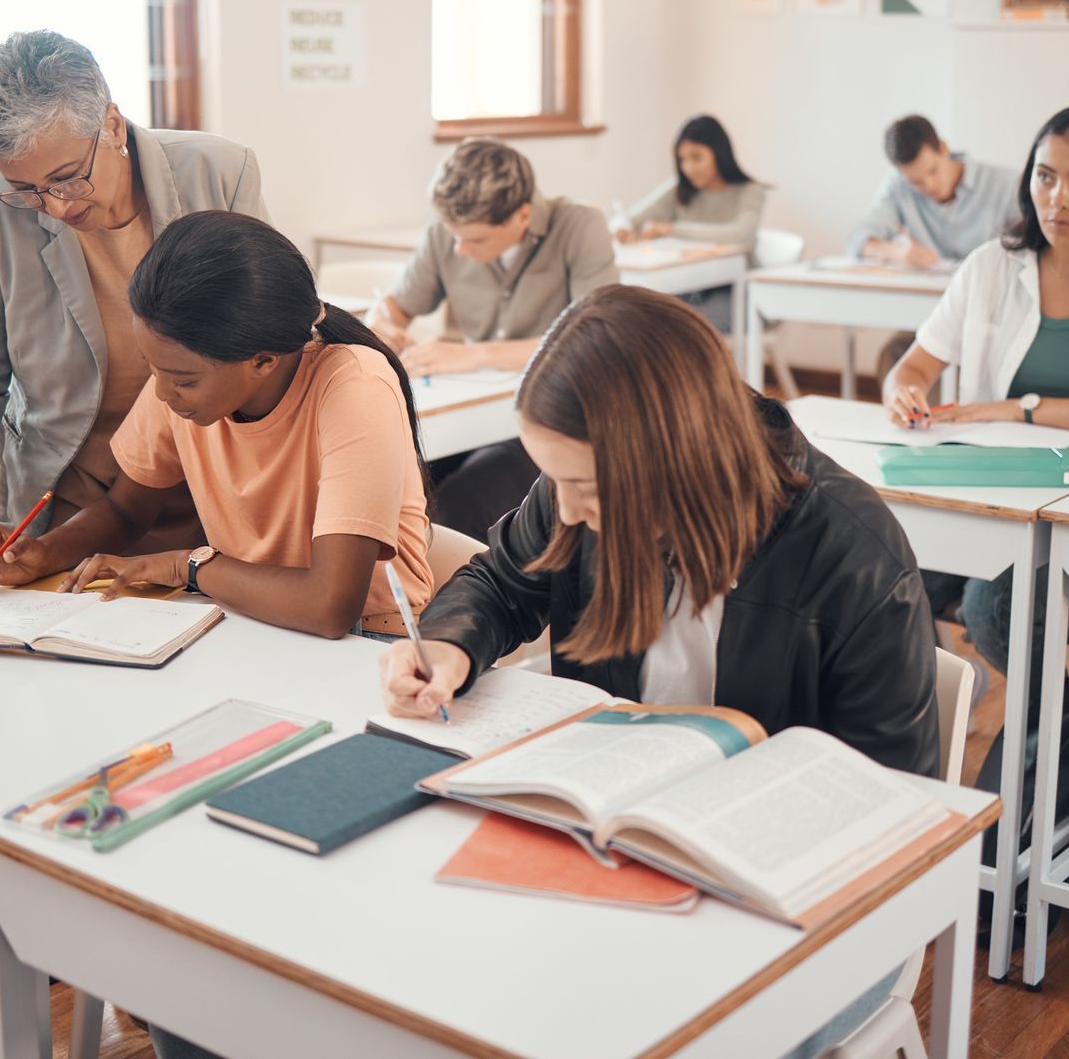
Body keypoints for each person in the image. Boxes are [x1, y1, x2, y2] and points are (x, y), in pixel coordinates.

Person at [376, 283, 938, 1059]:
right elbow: (504, 581)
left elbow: (891, 808)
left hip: (787, 911)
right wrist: (448, 645)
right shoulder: (582, 487)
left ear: (670, 457)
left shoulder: (852, 554)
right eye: (554, 481)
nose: (565, 511)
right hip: (619, 859)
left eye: (584, 488)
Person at [0, 211, 433, 639]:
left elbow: (329, 607)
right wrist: (43, 554)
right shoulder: (181, 383)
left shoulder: (355, 387)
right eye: (154, 370)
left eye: (181, 380)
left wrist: (186, 566)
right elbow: (126, 510)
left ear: (262, 360)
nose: (162, 393)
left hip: (375, 640)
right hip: (252, 621)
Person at [0, 30, 268, 595]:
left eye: (68, 177)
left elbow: (272, 338)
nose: (58, 206)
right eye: (27, 190)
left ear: (112, 126)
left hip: (216, 489)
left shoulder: (219, 173)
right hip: (69, 507)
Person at [882, 104, 1069, 693]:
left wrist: (1018, 408)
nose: (1057, 198)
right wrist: (904, 392)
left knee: (992, 609)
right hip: (991, 497)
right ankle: (989, 712)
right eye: (1045, 177)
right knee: (874, 571)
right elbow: (911, 366)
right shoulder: (990, 266)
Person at [368, 139, 619, 537]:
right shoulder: (447, 235)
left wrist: (473, 355)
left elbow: (597, 340)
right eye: (453, 236)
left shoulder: (579, 227)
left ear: (523, 215)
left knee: (456, 506)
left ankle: (455, 595)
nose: (460, 250)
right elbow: (395, 308)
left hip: (556, 418)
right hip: (474, 416)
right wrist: (385, 324)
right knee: (400, 489)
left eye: (477, 240)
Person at [850, 114, 1021, 388]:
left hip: (989, 316)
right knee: (894, 355)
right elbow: (859, 240)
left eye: (932, 171)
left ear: (944, 148)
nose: (928, 186)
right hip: (927, 314)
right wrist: (899, 253)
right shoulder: (898, 185)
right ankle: (913, 423)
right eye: (915, 182)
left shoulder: (1005, 185)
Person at [613, 114, 766, 331]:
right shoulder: (679, 190)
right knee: (642, 318)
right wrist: (622, 229)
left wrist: (672, 230)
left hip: (734, 292)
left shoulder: (750, 192)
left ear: (719, 153)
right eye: (682, 160)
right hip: (688, 288)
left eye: (697, 157)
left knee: (682, 327)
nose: (689, 168)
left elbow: (741, 235)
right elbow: (628, 218)